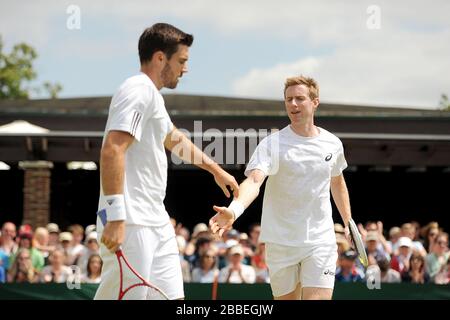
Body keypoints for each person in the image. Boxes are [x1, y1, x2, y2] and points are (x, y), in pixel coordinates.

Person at [94, 23, 239, 300]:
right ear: (161, 58)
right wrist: (115, 215)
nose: (186, 69)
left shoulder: (153, 97)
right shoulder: (137, 90)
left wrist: (215, 170)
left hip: (156, 221)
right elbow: (113, 149)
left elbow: (174, 139)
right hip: (131, 220)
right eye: (182, 61)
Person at [210, 75, 353, 300]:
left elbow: (337, 181)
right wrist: (234, 209)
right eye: (288, 100)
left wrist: (348, 221)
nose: (293, 104)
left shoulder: (333, 144)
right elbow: (255, 180)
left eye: (299, 98)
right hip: (280, 242)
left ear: (315, 102)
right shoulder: (271, 144)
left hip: (320, 240)